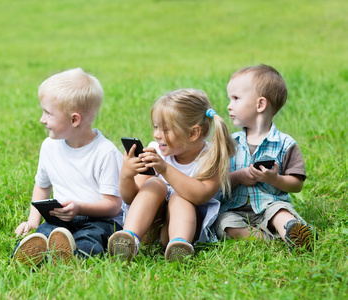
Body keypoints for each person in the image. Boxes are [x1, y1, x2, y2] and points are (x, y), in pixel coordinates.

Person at [11, 68, 124, 266]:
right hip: (61, 218)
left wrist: (80, 208)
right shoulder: (49, 146)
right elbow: (42, 185)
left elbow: (113, 206)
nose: (42, 119)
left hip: (100, 219)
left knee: (90, 239)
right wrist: (33, 222)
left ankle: (71, 257)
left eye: (48, 113)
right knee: (45, 234)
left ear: (74, 119)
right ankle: (34, 254)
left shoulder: (106, 153)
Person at [108, 88, 236, 262]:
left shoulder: (211, 157)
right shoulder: (157, 152)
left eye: (165, 129)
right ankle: (129, 238)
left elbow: (200, 195)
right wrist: (127, 175)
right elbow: (131, 198)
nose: (156, 134)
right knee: (154, 184)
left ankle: (179, 246)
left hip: (187, 229)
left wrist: (165, 169)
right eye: (156, 127)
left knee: (181, 196)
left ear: (193, 133)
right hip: (150, 231)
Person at [214, 64, 314, 251]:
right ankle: (272, 239)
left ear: (260, 104)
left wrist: (274, 179)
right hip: (235, 209)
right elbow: (217, 181)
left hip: (270, 203)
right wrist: (238, 177)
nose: (229, 105)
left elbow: (297, 184)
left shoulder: (285, 143)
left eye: (235, 98)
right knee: (224, 223)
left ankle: (292, 232)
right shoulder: (229, 143)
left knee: (280, 212)